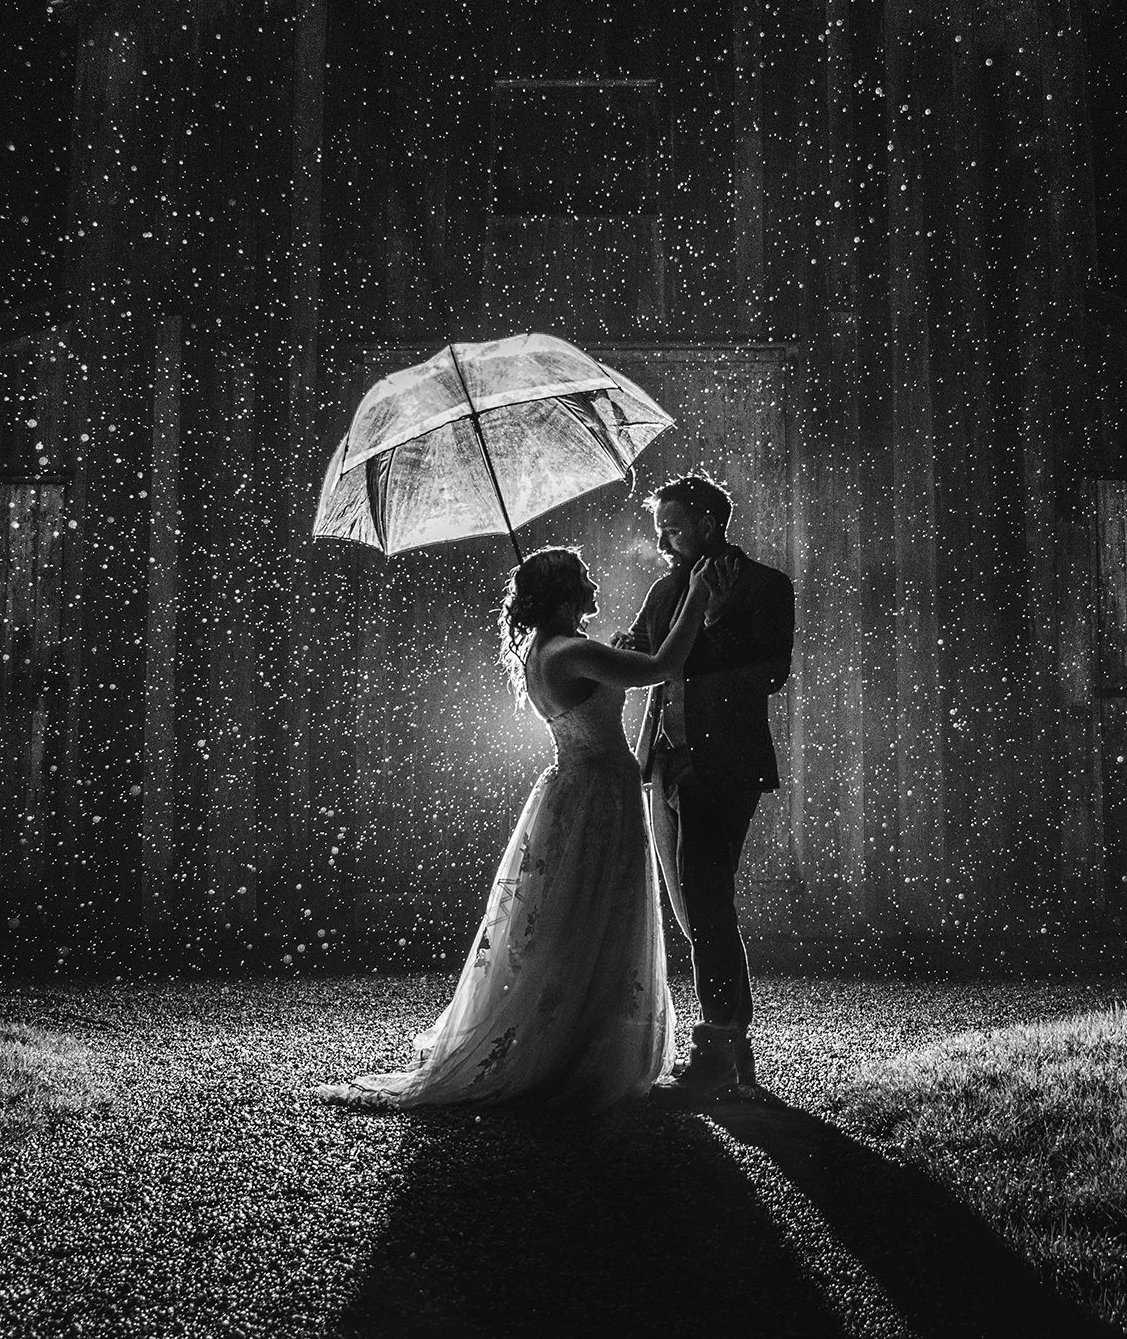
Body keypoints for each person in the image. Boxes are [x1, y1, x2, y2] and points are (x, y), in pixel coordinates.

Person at [320, 545, 729, 1111]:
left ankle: (569, 1034)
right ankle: (574, 1053)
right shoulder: (571, 651)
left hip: (575, 787)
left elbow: (617, 674)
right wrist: (697, 597)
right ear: (564, 595)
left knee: (572, 915)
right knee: (599, 911)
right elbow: (664, 668)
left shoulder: (546, 650)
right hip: (599, 795)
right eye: (583, 578)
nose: (593, 584)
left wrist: (621, 651)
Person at [616, 472, 795, 1103]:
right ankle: (732, 1048)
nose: (662, 536)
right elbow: (644, 651)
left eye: (673, 524)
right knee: (695, 902)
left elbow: (770, 672)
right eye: (658, 525)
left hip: (726, 764)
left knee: (707, 891)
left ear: (711, 522)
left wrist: (710, 621)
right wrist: (616, 647)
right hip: (665, 761)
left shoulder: (767, 586)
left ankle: (720, 1041)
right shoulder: (666, 588)